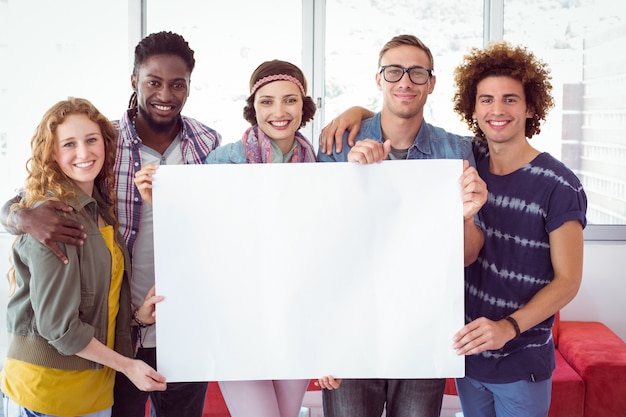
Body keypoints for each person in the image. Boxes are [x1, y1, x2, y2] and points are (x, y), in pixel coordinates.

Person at [0, 31, 221, 417]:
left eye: (177, 84)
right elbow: (33, 192)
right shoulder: (104, 143)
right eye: (153, 82)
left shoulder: (207, 142)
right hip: (117, 331)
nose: (165, 94)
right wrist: (22, 217)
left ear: (189, 86)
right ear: (134, 81)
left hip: (186, 322)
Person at [315, 34, 487, 417]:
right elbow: (322, 250)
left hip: (424, 328)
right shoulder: (338, 146)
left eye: (417, 73)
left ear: (431, 83)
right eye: (394, 71)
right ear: (379, 79)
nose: (405, 82)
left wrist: (467, 216)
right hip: (353, 327)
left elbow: (466, 256)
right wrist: (352, 178)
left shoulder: (457, 151)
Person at [134, 59, 317, 417]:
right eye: (266, 101)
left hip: (295, 321)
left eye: (290, 100)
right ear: (253, 108)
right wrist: (164, 203)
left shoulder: (321, 165)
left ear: (304, 105)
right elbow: (199, 236)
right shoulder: (222, 162)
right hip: (236, 322)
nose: (279, 111)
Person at [0, 97, 167, 417]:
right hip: (49, 392)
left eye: (91, 140)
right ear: (51, 153)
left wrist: (137, 316)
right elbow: (59, 328)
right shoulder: (53, 217)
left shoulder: (99, 211)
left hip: (92, 389)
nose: (84, 152)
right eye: (69, 144)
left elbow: (95, 302)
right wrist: (129, 366)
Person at [448, 41, 587, 417]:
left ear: (529, 107)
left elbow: (568, 281)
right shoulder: (465, 164)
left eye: (510, 99)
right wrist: (358, 112)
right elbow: (412, 131)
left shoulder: (559, 184)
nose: (497, 110)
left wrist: (508, 327)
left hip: (520, 364)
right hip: (467, 358)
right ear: (473, 107)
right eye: (486, 99)